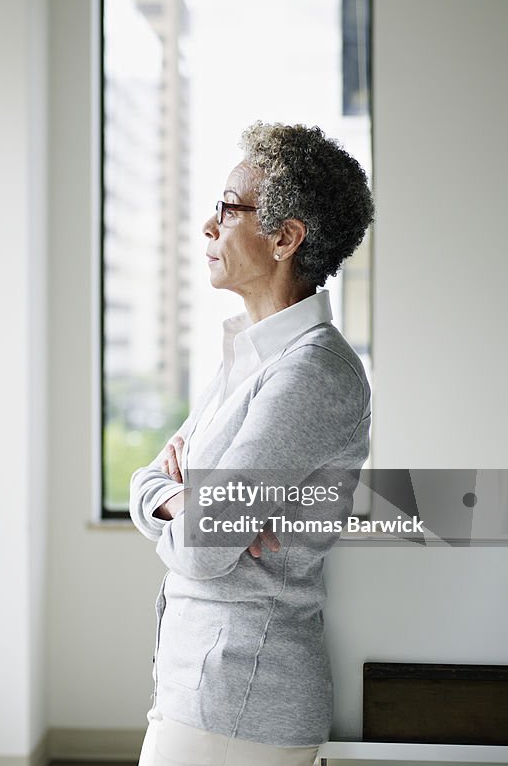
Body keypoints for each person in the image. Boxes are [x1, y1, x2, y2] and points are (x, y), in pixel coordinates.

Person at [129, 121, 374, 766]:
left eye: (229, 209)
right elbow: (146, 482)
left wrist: (191, 503)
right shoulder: (247, 354)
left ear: (285, 237)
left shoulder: (310, 374)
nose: (209, 226)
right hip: (202, 686)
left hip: (239, 700)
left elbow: (207, 550)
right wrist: (181, 500)